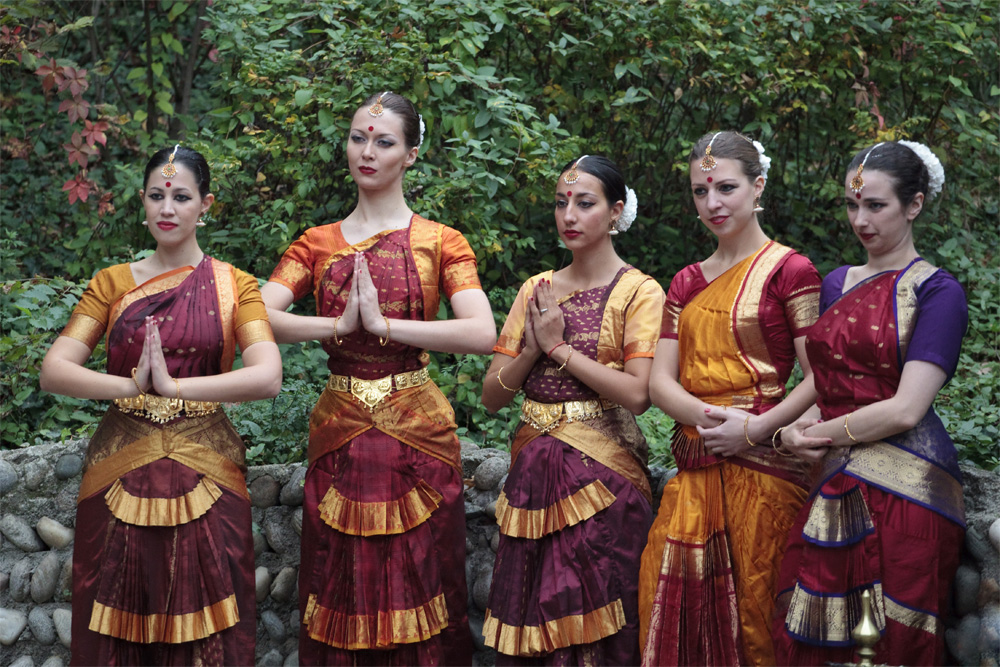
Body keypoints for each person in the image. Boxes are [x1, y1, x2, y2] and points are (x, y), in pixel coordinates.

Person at [259, 91, 496, 666]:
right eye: (358, 138)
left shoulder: (440, 241)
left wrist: (387, 325)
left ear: (411, 154)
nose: (366, 151)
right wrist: (336, 324)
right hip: (340, 427)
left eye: (383, 141)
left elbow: (482, 333)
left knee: (422, 570)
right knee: (337, 576)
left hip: (416, 426)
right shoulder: (316, 242)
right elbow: (255, 315)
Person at [39, 145, 282, 666]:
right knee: (116, 615)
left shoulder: (234, 285)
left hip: (207, 471)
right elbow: (54, 369)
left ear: (205, 204)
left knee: (212, 618)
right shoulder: (111, 283)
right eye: (156, 196)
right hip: (120, 468)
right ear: (142, 202)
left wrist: (175, 389)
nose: (167, 208)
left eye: (181, 196)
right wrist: (133, 387)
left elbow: (267, 376)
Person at [771, 140, 966, 665]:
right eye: (853, 205)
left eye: (875, 205)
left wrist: (814, 434)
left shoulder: (937, 292)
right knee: (809, 629)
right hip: (833, 482)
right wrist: (785, 427)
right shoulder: (836, 283)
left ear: (915, 205)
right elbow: (826, 380)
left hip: (908, 491)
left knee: (887, 644)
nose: (860, 219)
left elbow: (907, 408)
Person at [637, 131, 823, 665]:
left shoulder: (791, 270)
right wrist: (711, 419)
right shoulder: (687, 282)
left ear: (758, 185)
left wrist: (753, 430)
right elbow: (659, 383)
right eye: (700, 191)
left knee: (758, 615)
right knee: (665, 600)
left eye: (725, 187)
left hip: (766, 468)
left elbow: (819, 378)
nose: (712, 203)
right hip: (699, 460)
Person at [480, 155, 664, 665]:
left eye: (585, 203)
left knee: (592, 617)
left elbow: (637, 393)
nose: (570, 215)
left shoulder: (639, 291)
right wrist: (533, 350)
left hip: (603, 478)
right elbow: (492, 395)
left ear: (614, 212)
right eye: (562, 203)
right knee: (530, 618)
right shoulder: (535, 290)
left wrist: (560, 349)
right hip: (531, 479)